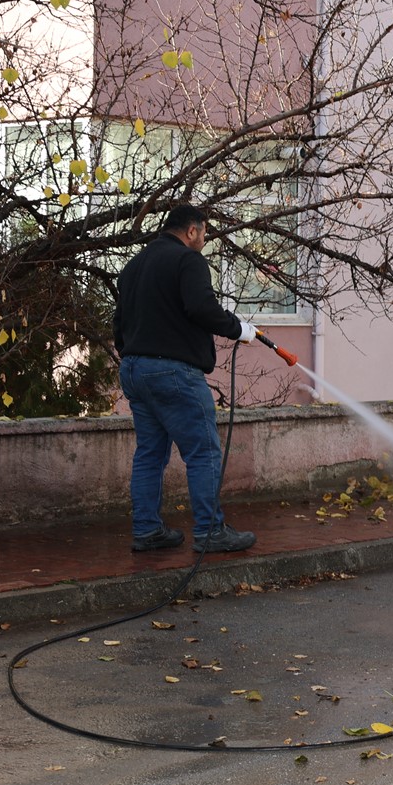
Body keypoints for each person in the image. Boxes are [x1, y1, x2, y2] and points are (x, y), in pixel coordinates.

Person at [113, 204, 259, 553]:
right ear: (192, 231)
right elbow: (201, 307)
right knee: (203, 451)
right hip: (173, 372)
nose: (204, 240)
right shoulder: (188, 260)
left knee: (149, 453)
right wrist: (238, 328)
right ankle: (212, 532)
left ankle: (147, 531)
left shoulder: (133, 267)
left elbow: (119, 323)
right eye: (204, 232)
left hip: (134, 368)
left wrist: (133, 355)